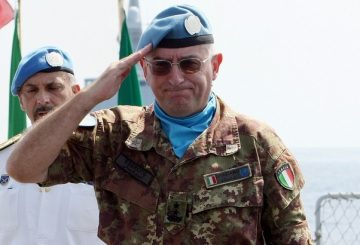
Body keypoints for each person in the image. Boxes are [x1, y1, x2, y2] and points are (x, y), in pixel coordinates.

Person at [7, 5, 313, 244]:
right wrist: (88, 97)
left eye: (190, 64)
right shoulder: (114, 137)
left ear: (215, 66)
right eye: (162, 66)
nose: (176, 78)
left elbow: (293, 237)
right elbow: (23, 168)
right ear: (145, 70)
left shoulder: (257, 144)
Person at [0, 46, 105, 245]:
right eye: (31, 90)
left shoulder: (106, 157)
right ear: (21, 102)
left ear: (76, 93)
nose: (42, 99)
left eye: (53, 87)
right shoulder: (2, 161)